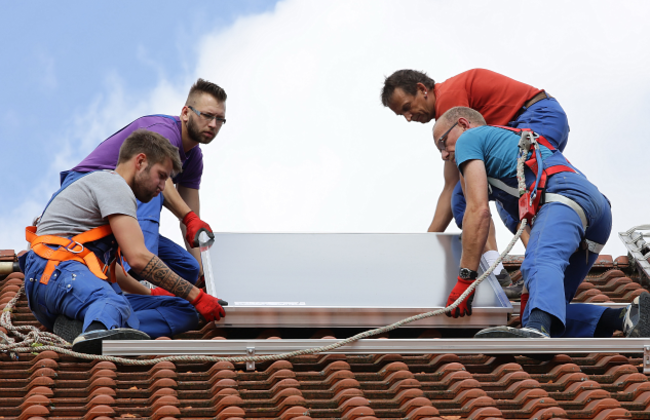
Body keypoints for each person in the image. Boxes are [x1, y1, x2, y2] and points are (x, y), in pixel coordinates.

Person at [433, 106, 649, 339]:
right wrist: (529, 293)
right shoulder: (508, 167)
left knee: (541, 261)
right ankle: (626, 316)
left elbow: (477, 211)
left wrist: (465, 279)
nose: (444, 154)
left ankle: (537, 331)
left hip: (564, 197)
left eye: (443, 143)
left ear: (464, 124)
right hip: (596, 212)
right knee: (545, 310)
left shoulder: (471, 138)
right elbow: (533, 229)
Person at [19, 130, 226, 354]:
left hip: (75, 281)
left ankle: (91, 326)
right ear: (140, 161)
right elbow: (138, 259)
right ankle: (96, 333)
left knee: (184, 310)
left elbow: (110, 269)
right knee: (112, 302)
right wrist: (197, 295)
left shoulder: (115, 200)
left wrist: (152, 295)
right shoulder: (114, 185)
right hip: (52, 273)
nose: (162, 187)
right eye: (161, 175)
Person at [381, 69, 570, 296]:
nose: (408, 117)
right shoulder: (448, 124)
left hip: (536, 116)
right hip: (536, 119)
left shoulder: (449, 102)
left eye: (406, 107)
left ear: (422, 89)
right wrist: (427, 244)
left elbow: (467, 189)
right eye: (402, 115)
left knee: (472, 195)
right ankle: (525, 274)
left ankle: (526, 275)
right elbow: (451, 186)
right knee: (497, 198)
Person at [63, 78, 227, 291]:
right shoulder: (164, 130)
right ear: (186, 113)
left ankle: (155, 297)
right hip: (85, 189)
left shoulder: (194, 159)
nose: (213, 124)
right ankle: (139, 275)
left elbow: (192, 223)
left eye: (220, 120)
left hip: (121, 211)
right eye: (207, 115)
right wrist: (189, 217)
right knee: (153, 184)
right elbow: (174, 200)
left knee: (188, 269)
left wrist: (205, 276)